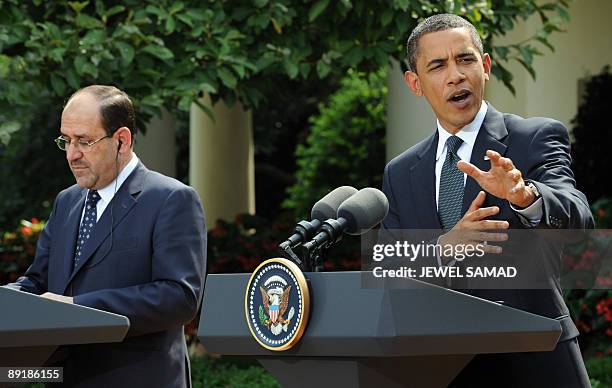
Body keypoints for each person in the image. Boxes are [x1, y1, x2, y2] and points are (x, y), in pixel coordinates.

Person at [381, 14, 593, 387]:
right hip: (442, 367)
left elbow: (579, 224)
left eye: (465, 60)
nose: (456, 75)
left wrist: (526, 197)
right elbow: (390, 267)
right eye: (438, 65)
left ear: (486, 66)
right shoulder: (400, 172)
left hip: (534, 360)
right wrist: (443, 248)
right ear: (415, 83)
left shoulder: (534, 137)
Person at [7, 85, 207, 387]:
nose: (72, 154)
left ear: (122, 140)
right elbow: (38, 282)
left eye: (85, 142)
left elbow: (179, 297)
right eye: (66, 141)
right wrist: (7, 300)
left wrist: (77, 307)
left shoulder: (171, 199)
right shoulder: (66, 201)